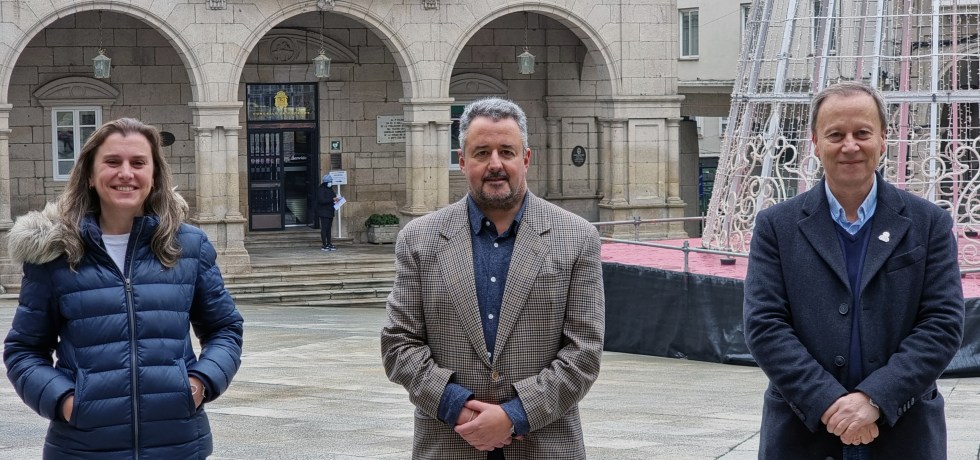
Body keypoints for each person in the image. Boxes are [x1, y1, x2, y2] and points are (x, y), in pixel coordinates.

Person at [743, 81, 965, 459]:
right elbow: (765, 325)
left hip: (904, 432)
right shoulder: (776, 226)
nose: (850, 146)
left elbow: (942, 324)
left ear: (883, 139)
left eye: (862, 133)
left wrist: (875, 398)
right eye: (836, 135)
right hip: (803, 433)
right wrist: (828, 402)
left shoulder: (929, 224)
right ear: (815, 143)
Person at [3, 118, 244, 459]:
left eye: (138, 163)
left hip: (176, 445)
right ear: (90, 174)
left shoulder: (189, 246)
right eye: (113, 162)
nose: (126, 173)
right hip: (82, 448)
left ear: (155, 175)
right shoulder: (55, 253)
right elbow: (24, 350)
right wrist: (67, 402)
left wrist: (200, 383)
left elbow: (225, 328)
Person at [380, 97, 605, 459]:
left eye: (507, 152)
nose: (495, 164)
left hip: (545, 447)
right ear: (462, 160)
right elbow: (399, 344)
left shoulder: (577, 237)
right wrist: (458, 408)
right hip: (449, 444)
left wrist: (514, 416)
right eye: (482, 153)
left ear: (525, 159)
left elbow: (584, 352)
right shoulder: (418, 239)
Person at [317, 173, 339, 251]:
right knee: (324, 228)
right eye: (330, 182)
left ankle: (329, 243)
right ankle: (324, 244)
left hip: (330, 211)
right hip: (323, 212)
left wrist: (337, 199)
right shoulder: (321, 189)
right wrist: (332, 199)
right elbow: (322, 200)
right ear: (326, 182)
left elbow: (333, 197)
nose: (331, 183)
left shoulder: (330, 189)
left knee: (329, 228)